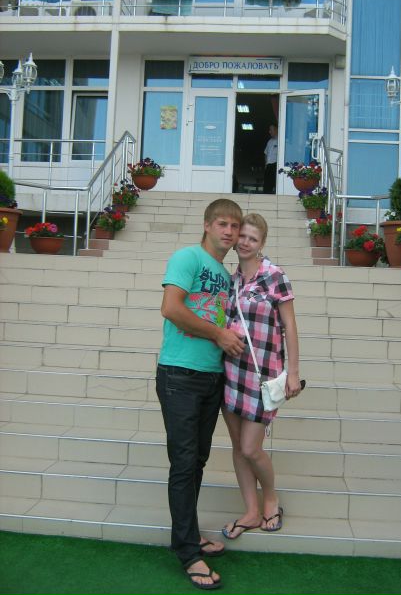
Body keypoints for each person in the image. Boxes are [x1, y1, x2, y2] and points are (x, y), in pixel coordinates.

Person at [156, 198, 245, 590]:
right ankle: (188, 552)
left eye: (235, 226)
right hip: (180, 373)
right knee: (184, 462)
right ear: (207, 225)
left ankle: (188, 535)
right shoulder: (187, 257)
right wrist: (219, 334)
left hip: (211, 377)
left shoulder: (225, 275)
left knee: (197, 461)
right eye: (223, 223)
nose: (229, 231)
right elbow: (171, 308)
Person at [221, 213, 304, 539]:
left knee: (251, 448)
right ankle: (251, 510)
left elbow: (290, 326)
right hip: (231, 374)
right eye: (242, 236)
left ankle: (270, 499)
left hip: (262, 376)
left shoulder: (274, 275)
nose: (244, 242)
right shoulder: (231, 280)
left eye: (252, 239)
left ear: (262, 243)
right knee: (238, 447)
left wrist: (292, 372)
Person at [263, 124, 278, 194]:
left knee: (275, 185)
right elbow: (266, 153)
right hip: (268, 166)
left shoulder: (280, 141)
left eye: (271, 130)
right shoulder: (269, 141)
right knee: (266, 187)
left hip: (275, 166)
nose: (269, 132)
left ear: (276, 130)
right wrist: (265, 164)